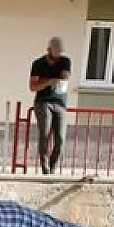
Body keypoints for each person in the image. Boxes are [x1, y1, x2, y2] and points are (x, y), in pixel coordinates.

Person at [28, 37, 72, 174]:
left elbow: (65, 77)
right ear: (49, 50)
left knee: (60, 138)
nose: (59, 55)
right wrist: (47, 83)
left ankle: (53, 167)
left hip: (60, 103)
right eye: (56, 52)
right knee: (45, 135)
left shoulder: (65, 61)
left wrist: (62, 76)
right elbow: (32, 86)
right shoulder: (38, 64)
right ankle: (45, 169)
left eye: (60, 52)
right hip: (43, 101)